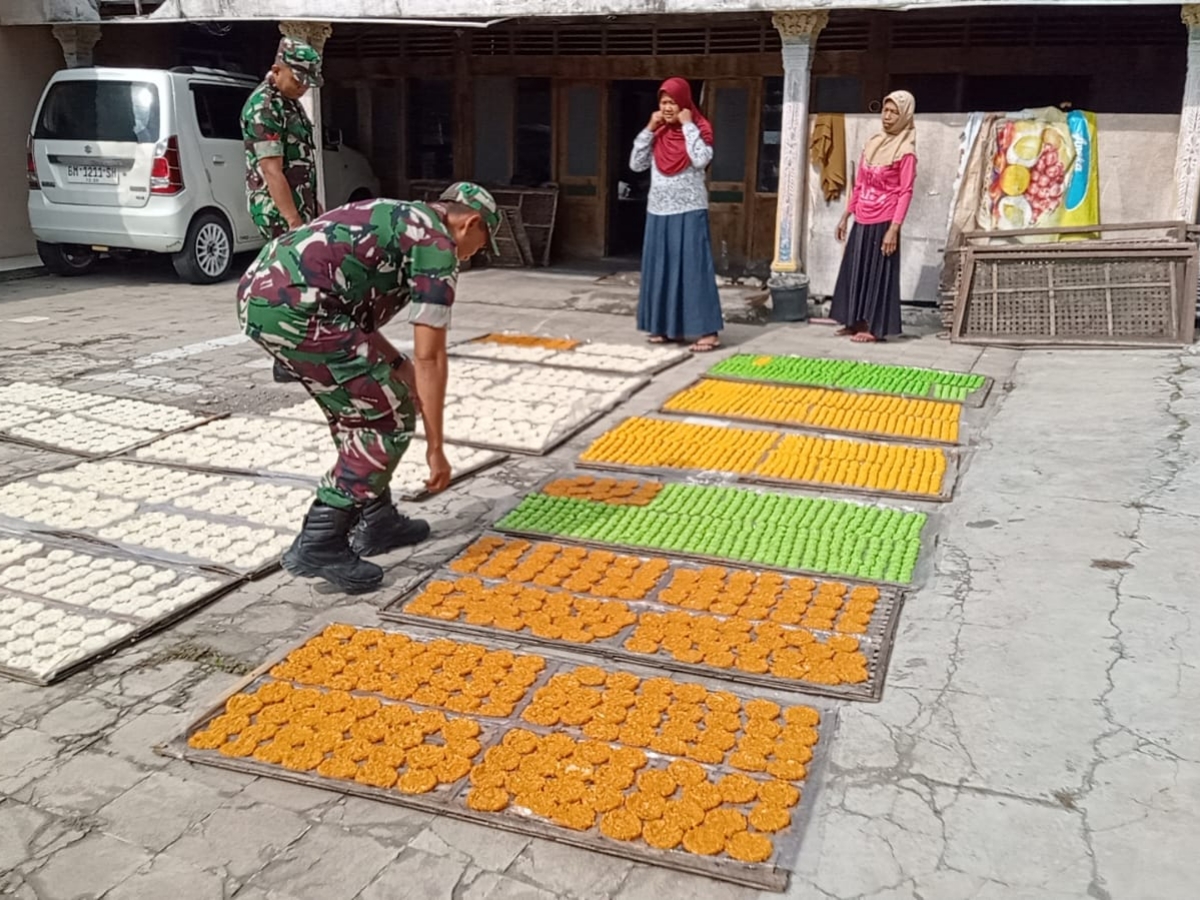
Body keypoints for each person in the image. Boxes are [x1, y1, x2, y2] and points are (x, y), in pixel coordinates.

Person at [237, 184, 501, 594]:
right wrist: (435, 447)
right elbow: (431, 356)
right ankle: (321, 540)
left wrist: (396, 365)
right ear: (471, 223)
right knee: (388, 418)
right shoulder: (437, 243)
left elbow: (351, 310)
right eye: (479, 246)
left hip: (264, 297)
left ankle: (377, 519)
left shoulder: (399, 216)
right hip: (300, 310)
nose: (472, 256)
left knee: (358, 407)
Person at [240, 36, 324, 384]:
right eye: (298, 78)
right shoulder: (263, 107)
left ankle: (296, 355)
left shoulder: (289, 103)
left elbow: (301, 163)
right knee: (289, 284)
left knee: (303, 281)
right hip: (277, 211)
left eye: (308, 81)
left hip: (298, 206)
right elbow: (272, 171)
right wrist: (293, 221)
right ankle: (284, 358)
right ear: (277, 70)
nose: (303, 86)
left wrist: (314, 208)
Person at [630, 77, 723, 353]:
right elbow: (636, 164)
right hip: (659, 211)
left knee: (694, 270)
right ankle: (664, 327)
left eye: (672, 102)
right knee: (661, 269)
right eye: (663, 102)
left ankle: (708, 332)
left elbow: (701, 159)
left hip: (689, 210)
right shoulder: (658, 133)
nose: (667, 108)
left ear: (684, 103)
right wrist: (649, 128)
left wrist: (688, 126)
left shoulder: (700, 128)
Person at [831, 91, 918, 344]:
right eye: (885, 110)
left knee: (877, 274)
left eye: (894, 112)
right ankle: (853, 321)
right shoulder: (872, 143)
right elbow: (860, 184)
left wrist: (894, 228)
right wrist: (846, 214)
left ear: (905, 116)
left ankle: (872, 326)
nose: (887, 116)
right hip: (862, 217)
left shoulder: (906, 151)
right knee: (855, 270)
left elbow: (905, 191)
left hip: (884, 220)